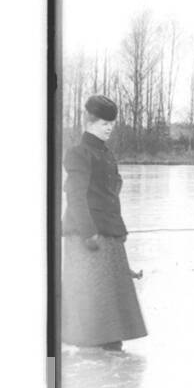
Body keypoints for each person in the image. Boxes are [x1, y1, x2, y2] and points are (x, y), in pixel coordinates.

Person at [60, 95, 148, 350]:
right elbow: (75, 195)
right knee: (93, 298)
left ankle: (109, 346)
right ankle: (91, 354)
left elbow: (110, 197)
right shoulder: (79, 153)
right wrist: (89, 233)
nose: (109, 127)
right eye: (103, 123)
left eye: (111, 123)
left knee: (110, 299)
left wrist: (118, 231)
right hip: (88, 234)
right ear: (89, 122)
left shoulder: (106, 154)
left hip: (108, 232)